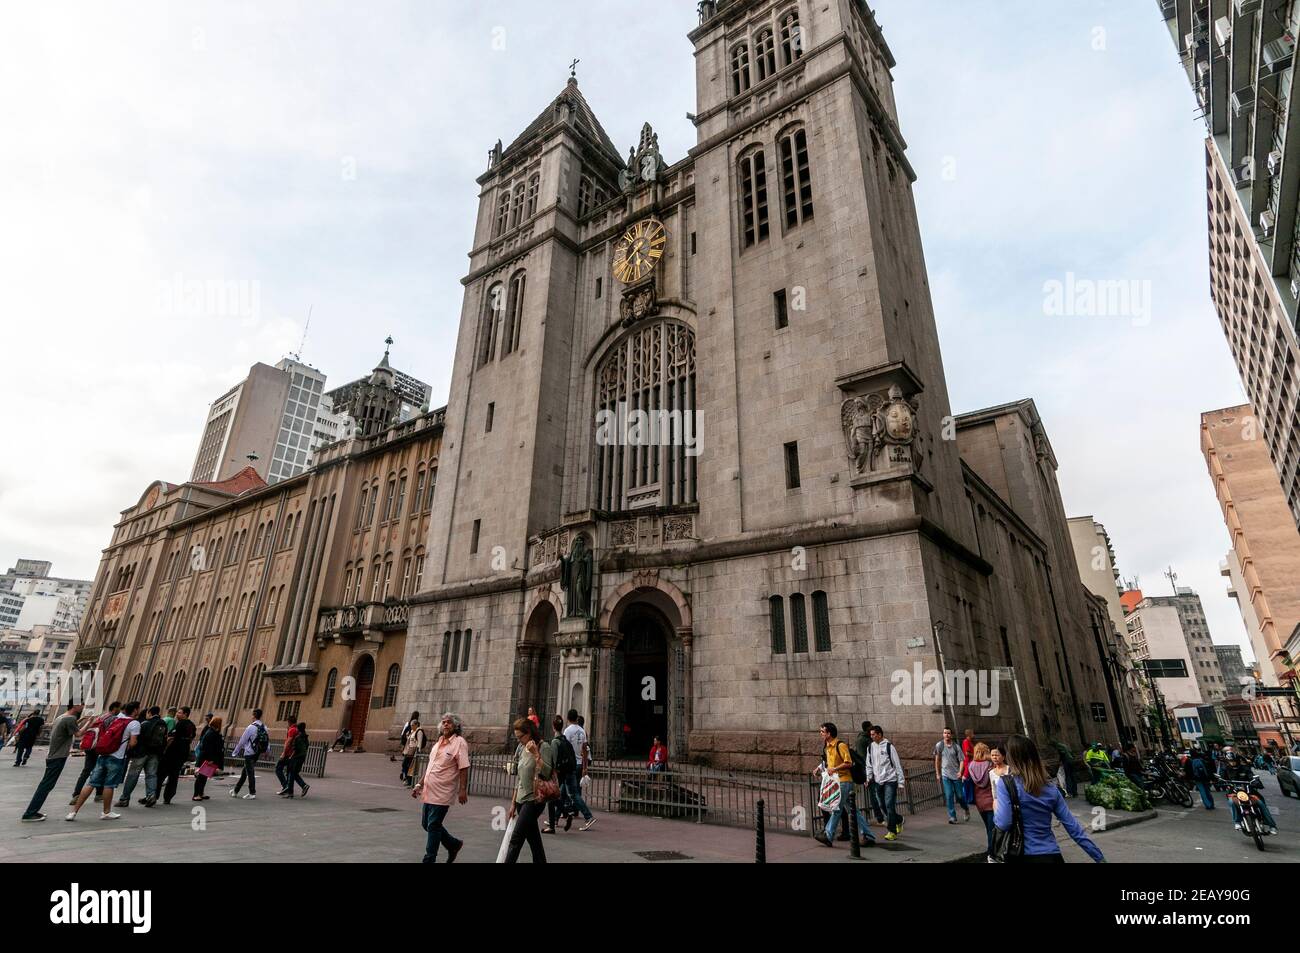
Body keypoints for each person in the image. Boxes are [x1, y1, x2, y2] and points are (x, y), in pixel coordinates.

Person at [993, 734, 1104, 864]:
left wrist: (996, 808)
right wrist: (1099, 857)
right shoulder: (1051, 789)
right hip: (1052, 855)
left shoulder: (1005, 784)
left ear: (1011, 758)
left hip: (1023, 854)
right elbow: (1074, 828)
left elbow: (1004, 823)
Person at [67, 700, 141, 821]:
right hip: (116, 757)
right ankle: (106, 812)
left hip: (103, 753)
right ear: (135, 710)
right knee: (109, 785)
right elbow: (133, 743)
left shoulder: (115, 719)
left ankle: (73, 812)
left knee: (91, 783)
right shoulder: (134, 724)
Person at [412, 712, 469, 863]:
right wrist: (419, 784)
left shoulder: (459, 743)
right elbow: (431, 767)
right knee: (427, 824)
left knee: (434, 825)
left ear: (455, 726)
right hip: (429, 791)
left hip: (443, 792)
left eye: (449, 722)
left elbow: (463, 767)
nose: (445, 724)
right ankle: (453, 844)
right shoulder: (438, 743)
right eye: (443, 722)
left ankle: (429, 859)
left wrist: (462, 789)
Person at [814, 722, 874, 848]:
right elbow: (828, 764)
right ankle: (869, 835)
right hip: (836, 782)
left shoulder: (840, 745)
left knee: (836, 808)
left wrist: (834, 769)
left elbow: (848, 762)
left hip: (844, 781)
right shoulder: (827, 747)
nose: (821, 734)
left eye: (822, 732)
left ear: (829, 733)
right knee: (854, 811)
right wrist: (820, 769)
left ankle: (828, 835)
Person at [21, 703, 83, 821]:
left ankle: (33, 811)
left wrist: (83, 720)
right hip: (58, 757)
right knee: (46, 786)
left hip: (53, 756)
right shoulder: (70, 719)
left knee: (45, 785)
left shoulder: (61, 717)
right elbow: (78, 734)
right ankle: (29, 813)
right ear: (75, 705)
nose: (83, 707)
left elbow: (72, 727)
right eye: (82, 705)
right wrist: (90, 723)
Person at [505, 717, 554, 863]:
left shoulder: (543, 746)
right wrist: (513, 803)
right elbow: (520, 778)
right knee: (534, 842)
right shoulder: (521, 748)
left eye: (521, 736)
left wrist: (535, 753)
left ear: (530, 732)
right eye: (517, 737)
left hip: (534, 800)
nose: (519, 740)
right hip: (521, 799)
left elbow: (547, 772)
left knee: (516, 839)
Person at [1218, 745, 1278, 834]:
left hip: (1249, 791)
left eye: (1234, 761)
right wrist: (1222, 781)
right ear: (1227, 761)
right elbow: (1222, 778)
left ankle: (1271, 825)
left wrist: (1255, 782)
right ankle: (1237, 822)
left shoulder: (1244, 768)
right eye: (1230, 761)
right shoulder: (1225, 769)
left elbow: (1251, 776)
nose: (1232, 763)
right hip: (1234, 792)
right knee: (1231, 802)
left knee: (1261, 803)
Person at [69, 702, 119, 803]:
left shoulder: (101, 716)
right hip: (99, 747)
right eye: (119, 708)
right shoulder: (113, 718)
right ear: (114, 708)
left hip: (90, 746)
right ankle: (99, 794)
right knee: (102, 770)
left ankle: (77, 794)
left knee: (86, 770)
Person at [118, 706, 166, 807]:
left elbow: (136, 740)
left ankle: (124, 799)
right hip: (154, 754)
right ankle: (151, 796)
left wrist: (131, 753)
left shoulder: (144, 724)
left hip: (141, 754)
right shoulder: (163, 724)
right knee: (151, 775)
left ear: (149, 713)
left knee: (132, 776)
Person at [865, 724, 905, 840]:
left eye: (873, 734)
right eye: (871, 735)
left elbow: (897, 764)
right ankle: (899, 820)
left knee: (889, 805)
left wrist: (901, 782)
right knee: (882, 805)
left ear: (879, 734)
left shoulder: (889, 747)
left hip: (890, 781)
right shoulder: (870, 747)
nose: (871, 737)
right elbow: (869, 764)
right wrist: (868, 777)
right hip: (878, 781)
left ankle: (892, 831)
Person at [561, 708, 595, 830]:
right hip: (580, 764)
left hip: (571, 765)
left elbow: (564, 749)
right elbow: (585, 750)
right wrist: (585, 767)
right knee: (564, 791)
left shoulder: (567, 731)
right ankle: (556, 817)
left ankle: (588, 816)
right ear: (576, 718)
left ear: (568, 718)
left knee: (572, 793)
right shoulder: (582, 731)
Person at [543, 716, 578, 834]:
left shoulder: (555, 742)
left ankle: (555, 823)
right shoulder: (565, 740)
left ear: (553, 727)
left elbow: (554, 760)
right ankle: (565, 815)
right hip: (566, 772)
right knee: (553, 798)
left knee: (551, 798)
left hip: (557, 774)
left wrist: (550, 774)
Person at [158, 706, 196, 805]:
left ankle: (154, 795)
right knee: (174, 776)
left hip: (173, 752)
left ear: (185, 714)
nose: (177, 714)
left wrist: (164, 749)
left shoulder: (180, 724)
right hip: (183, 753)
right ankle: (168, 797)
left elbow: (171, 738)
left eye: (179, 713)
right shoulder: (192, 725)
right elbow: (191, 739)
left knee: (161, 774)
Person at [967, 741, 996, 860]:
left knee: (988, 827)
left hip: (980, 802)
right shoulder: (990, 765)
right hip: (990, 801)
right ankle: (992, 851)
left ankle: (991, 851)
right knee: (992, 829)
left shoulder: (971, 766)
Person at [934, 727, 969, 823]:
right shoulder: (939, 745)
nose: (946, 735)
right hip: (946, 775)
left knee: (960, 796)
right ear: (943, 734)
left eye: (948, 733)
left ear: (951, 735)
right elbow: (937, 760)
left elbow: (962, 760)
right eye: (945, 733)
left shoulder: (956, 747)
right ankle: (952, 817)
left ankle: (966, 809)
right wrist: (938, 773)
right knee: (949, 795)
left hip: (956, 775)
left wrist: (960, 772)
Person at [230, 708, 266, 799]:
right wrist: (267, 751)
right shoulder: (264, 727)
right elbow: (266, 741)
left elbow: (242, 741)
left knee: (250, 772)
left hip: (249, 753)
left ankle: (252, 793)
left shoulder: (251, 727)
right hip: (257, 753)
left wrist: (235, 752)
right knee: (245, 772)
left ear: (254, 715)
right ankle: (235, 791)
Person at [192, 715, 224, 800]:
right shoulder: (211, 733)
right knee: (201, 777)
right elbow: (206, 747)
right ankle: (196, 795)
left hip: (209, 758)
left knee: (204, 776)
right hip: (206, 758)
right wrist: (210, 759)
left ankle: (201, 793)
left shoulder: (214, 732)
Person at [282, 723, 310, 798]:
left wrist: (290, 757)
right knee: (294, 773)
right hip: (302, 757)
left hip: (296, 757)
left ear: (298, 729)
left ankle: (290, 793)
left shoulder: (297, 738)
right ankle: (303, 786)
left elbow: (295, 749)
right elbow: (307, 746)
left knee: (291, 774)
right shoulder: (306, 737)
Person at [276, 718, 299, 791]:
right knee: (289, 771)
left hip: (288, 753)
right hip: (294, 754)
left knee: (278, 768)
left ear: (289, 722)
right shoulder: (297, 729)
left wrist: (284, 753)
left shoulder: (292, 730)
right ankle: (288, 787)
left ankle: (285, 785)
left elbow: (288, 742)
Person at [400, 718, 425, 786]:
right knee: (405, 765)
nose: (411, 726)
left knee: (411, 767)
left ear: (416, 725)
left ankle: (409, 781)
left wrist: (418, 752)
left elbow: (419, 742)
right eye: (411, 725)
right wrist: (408, 735)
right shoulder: (412, 731)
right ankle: (407, 779)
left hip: (414, 751)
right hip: (409, 751)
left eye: (413, 725)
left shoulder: (419, 731)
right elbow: (410, 741)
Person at [960, 728, 976, 805]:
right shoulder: (966, 741)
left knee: (970, 781)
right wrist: (975, 755)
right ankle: (966, 798)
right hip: (968, 763)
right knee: (966, 780)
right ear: (969, 734)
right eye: (972, 733)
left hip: (970, 763)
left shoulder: (969, 742)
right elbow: (967, 753)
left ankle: (970, 798)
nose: (974, 735)